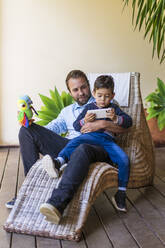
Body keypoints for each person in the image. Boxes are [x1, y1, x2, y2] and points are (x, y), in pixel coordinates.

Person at [5, 70, 130, 223]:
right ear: (70, 93)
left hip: (94, 148)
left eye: (83, 87)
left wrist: (102, 124)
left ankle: (56, 204)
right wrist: (32, 125)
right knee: (27, 131)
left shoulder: (107, 103)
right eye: (76, 90)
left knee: (82, 147)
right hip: (69, 145)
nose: (81, 93)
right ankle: (29, 190)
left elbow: (124, 127)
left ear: (90, 87)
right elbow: (53, 128)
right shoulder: (67, 112)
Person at [40, 75, 132, 222]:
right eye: (100, 95)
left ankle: (121, 193)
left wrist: (115, 119)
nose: (103, 99)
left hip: (107, 142)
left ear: (112, 96)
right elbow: (78, 125)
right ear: (94, 93)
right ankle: (59, 161)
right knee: (77, 141)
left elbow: (128, 122)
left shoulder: (114, 107)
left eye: (107, 96)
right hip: (91, 138)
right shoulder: (89, 108)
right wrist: (85, 120)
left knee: (124, 160)